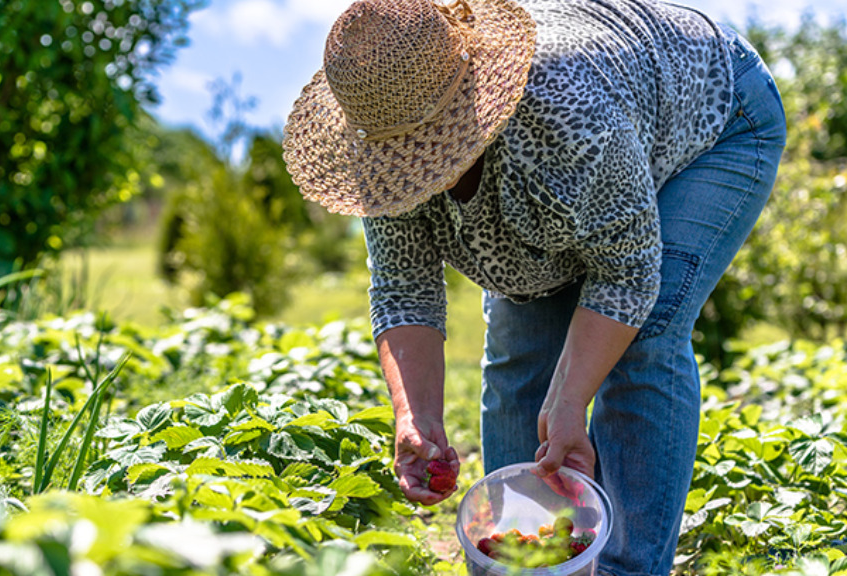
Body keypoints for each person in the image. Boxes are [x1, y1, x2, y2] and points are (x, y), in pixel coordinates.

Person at [281, 0, 786, 573]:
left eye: (424, 148)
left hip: (711, 118)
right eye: (401, 153)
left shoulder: (565, 114)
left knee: (644, 338)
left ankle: (627, 565)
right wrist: (414, 421)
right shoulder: (386, 147)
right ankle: (526, 561)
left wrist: (571, 400)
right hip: (592, 163)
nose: (413, 162)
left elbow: (626, 273)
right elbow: (404, 289)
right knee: (521, 360)